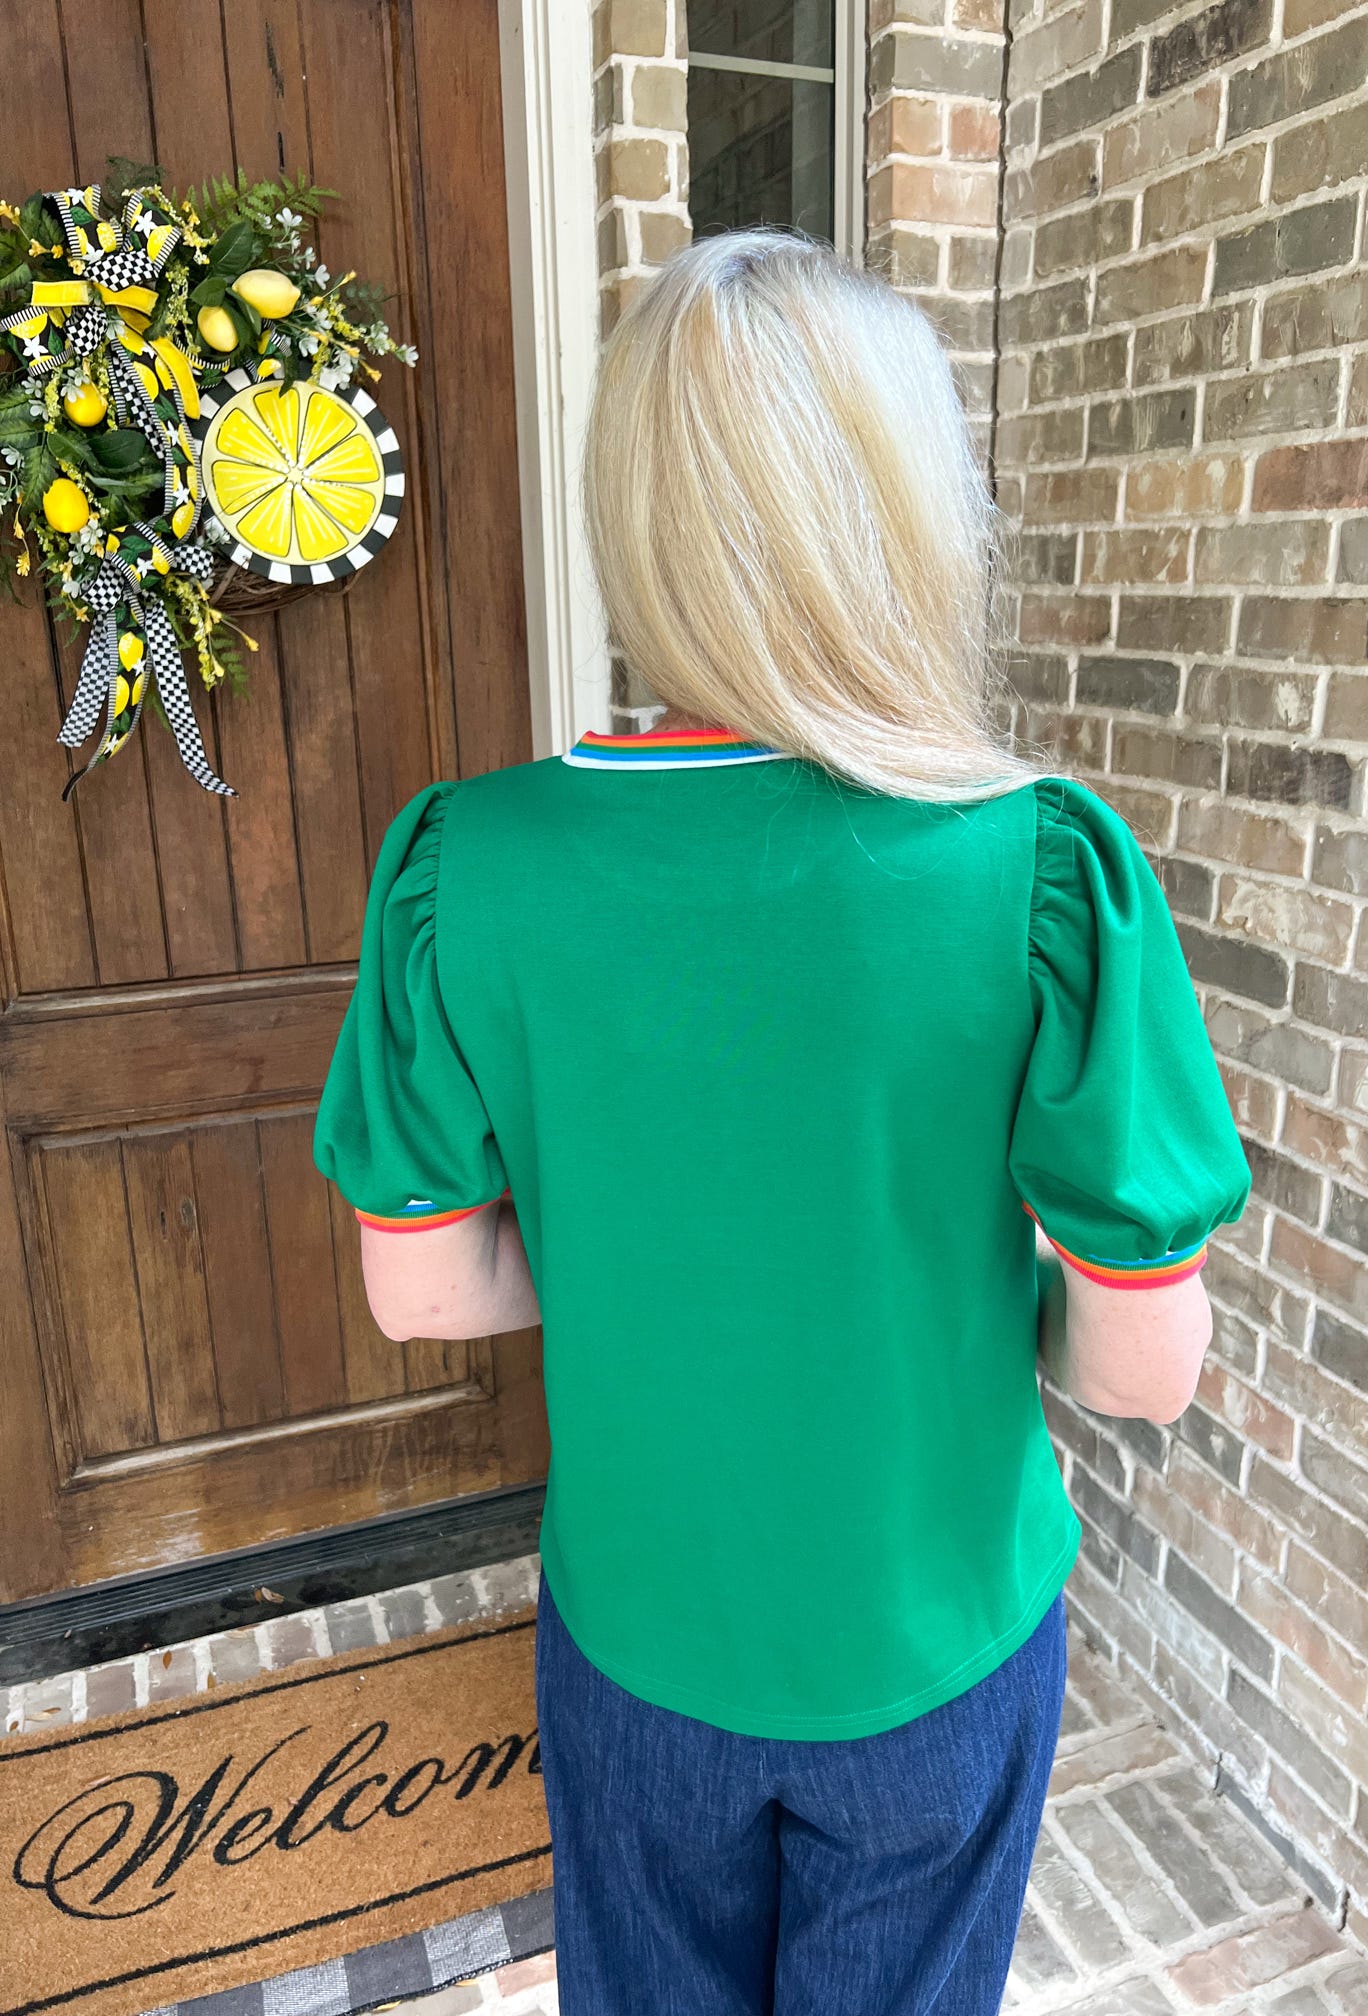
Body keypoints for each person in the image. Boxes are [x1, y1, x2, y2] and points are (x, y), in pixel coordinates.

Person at [312, 228, 1252, 2016]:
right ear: (906, 501)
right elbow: (1143, 1369)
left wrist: (638, 1261)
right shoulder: (1044, 869)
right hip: (931, 1642)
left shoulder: (467, 863)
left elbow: (422, 1290)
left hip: (639, 1639)